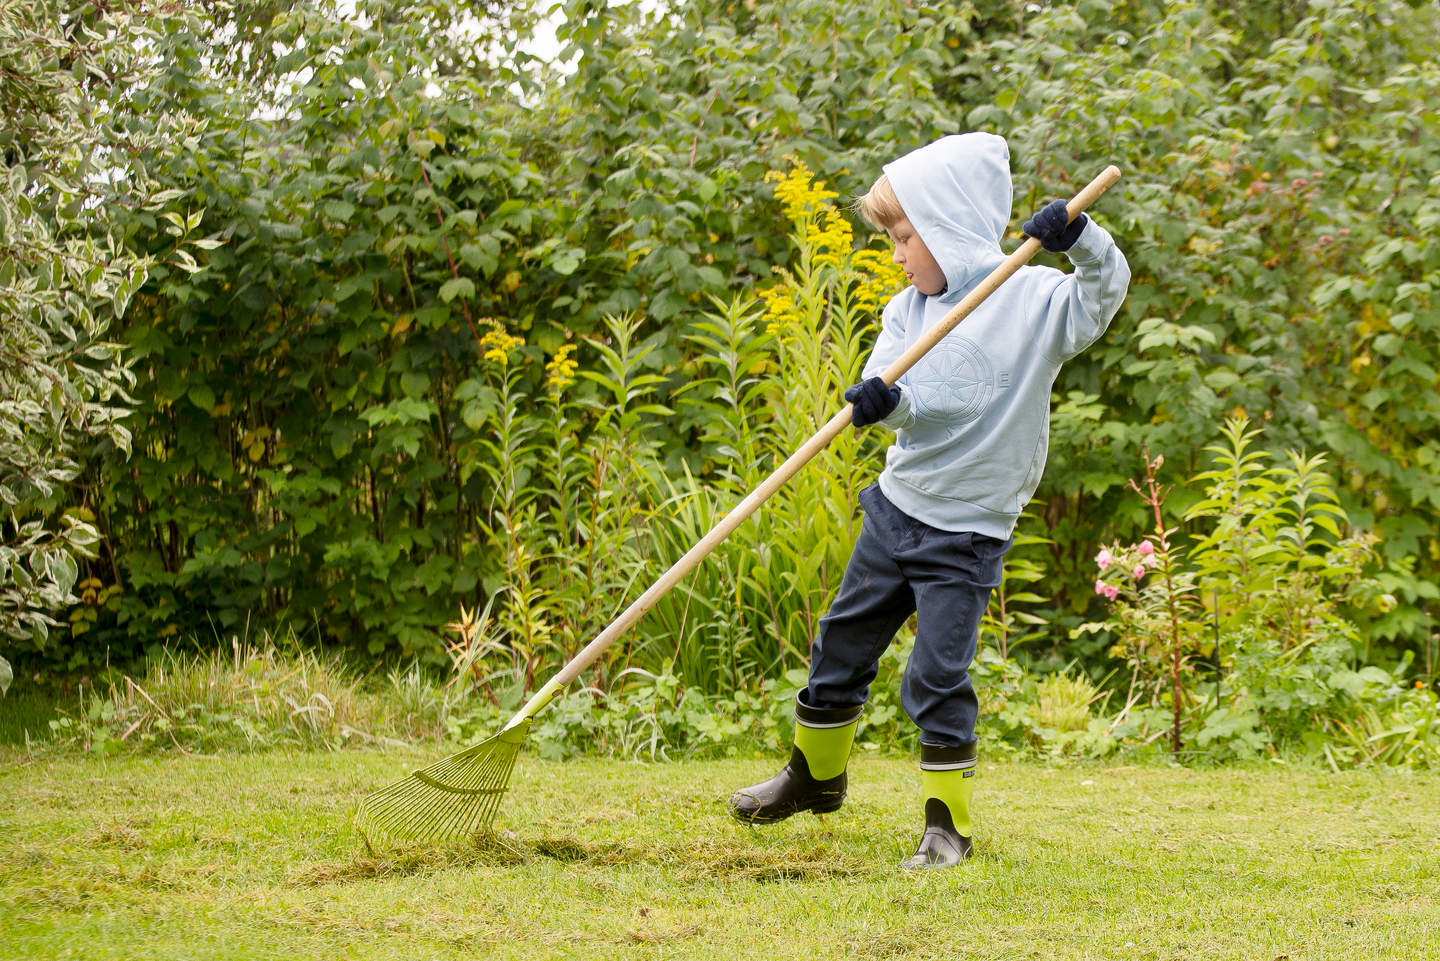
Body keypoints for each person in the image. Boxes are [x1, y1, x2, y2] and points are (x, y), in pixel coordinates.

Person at [728, 133, 1131, 870]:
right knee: (840, 643)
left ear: (948, 226)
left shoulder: (1037, 304)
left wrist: (1082, 238)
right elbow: (909, 395)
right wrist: (887, 403)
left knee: (937, 673)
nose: (897, 253)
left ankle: (948, 825)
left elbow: (1104, 294)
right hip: (898, 507)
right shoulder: (905, 313)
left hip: (968, 531)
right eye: (892, 238)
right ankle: (815, 778)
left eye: (906, 236)